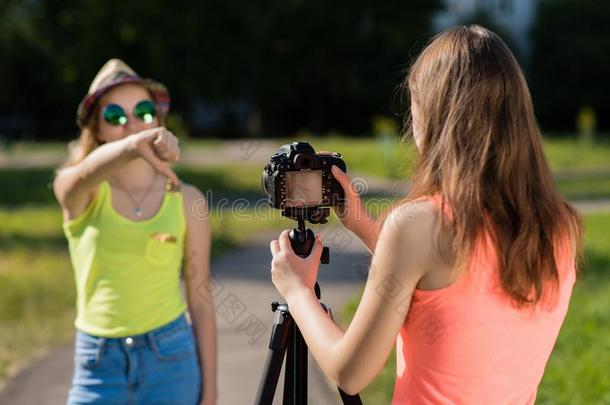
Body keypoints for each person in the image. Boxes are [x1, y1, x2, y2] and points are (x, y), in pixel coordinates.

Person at [269, 25, 583, 404]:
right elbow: (458, 291)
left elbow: (349, 372)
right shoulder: (560, 226)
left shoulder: (418, 226)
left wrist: (298, 291)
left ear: (434, 118)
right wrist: (366, 227)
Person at [54, 59, 217, 405]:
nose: (132, 125)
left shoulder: (188, 200)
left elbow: (200, 301)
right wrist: (131, 147)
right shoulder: (83, 192)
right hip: (98, 364)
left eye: (143, 112)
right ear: (97, 130)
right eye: (115, 117)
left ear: (158, 121)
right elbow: (76, 179)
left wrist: (211, 391)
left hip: (172, 359)